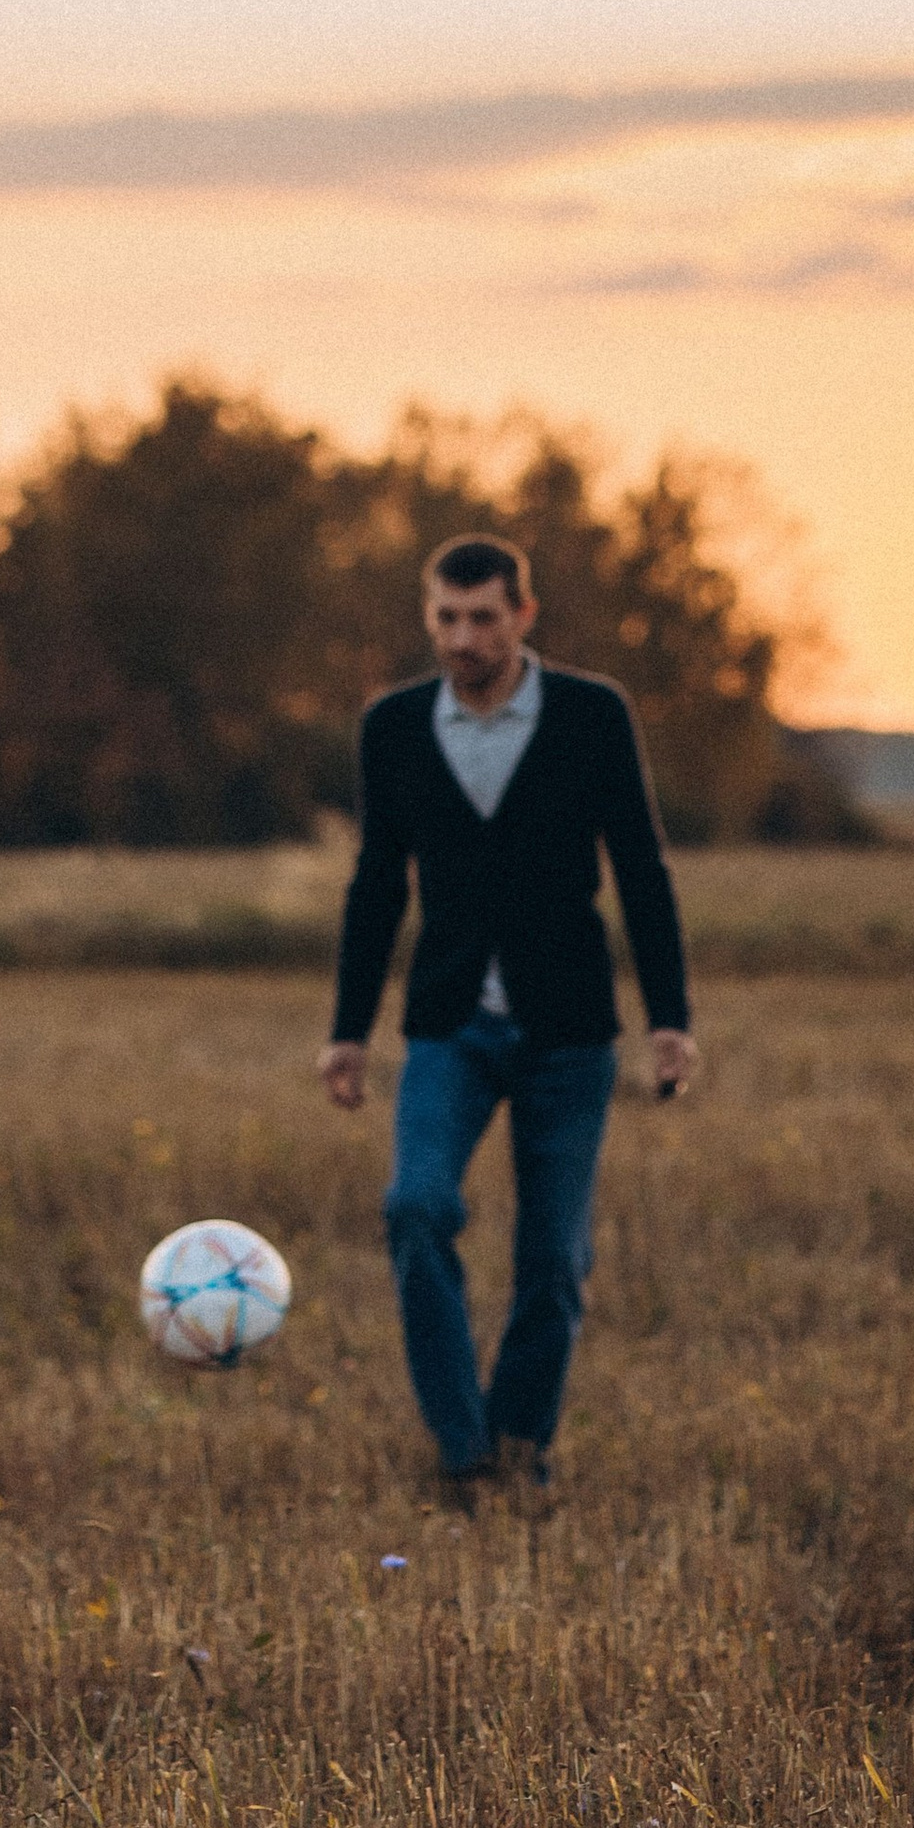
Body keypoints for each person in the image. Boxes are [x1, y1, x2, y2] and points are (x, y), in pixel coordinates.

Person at [318, 535, 692, 1501]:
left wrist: (670, 1016)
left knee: (553, 1260)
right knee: (415, 1207)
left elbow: (642, 869)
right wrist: (350, 1030)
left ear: (524, 616)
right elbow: (374, 884)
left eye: (483, 616)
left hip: (569, 1030)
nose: (462, 637)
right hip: (450, 1022)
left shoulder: (591, 713)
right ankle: (462, 1446)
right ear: (428, 616)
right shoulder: (394, 725)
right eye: (445, 616)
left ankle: (521, 1443)